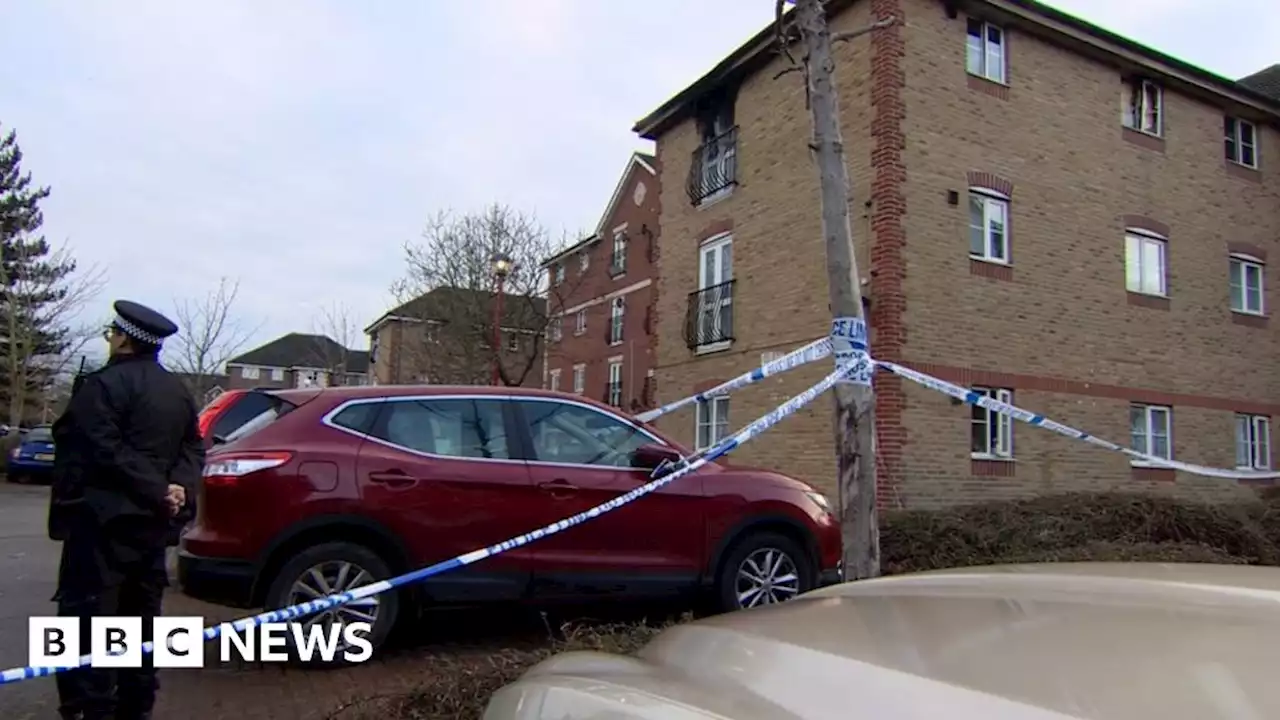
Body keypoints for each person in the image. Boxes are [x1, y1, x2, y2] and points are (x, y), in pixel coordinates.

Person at [48, 300, 205, 720]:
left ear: (123, 340)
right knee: (143, 620)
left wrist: (159, 490)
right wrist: (179, 490)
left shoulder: (100, 387)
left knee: (88, 620)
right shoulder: (177, 391)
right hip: (153, 528)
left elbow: (101, 450)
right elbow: (193, 446)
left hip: (102, 525)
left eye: (111, 334)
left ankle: (89, 706)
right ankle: (136, 704)